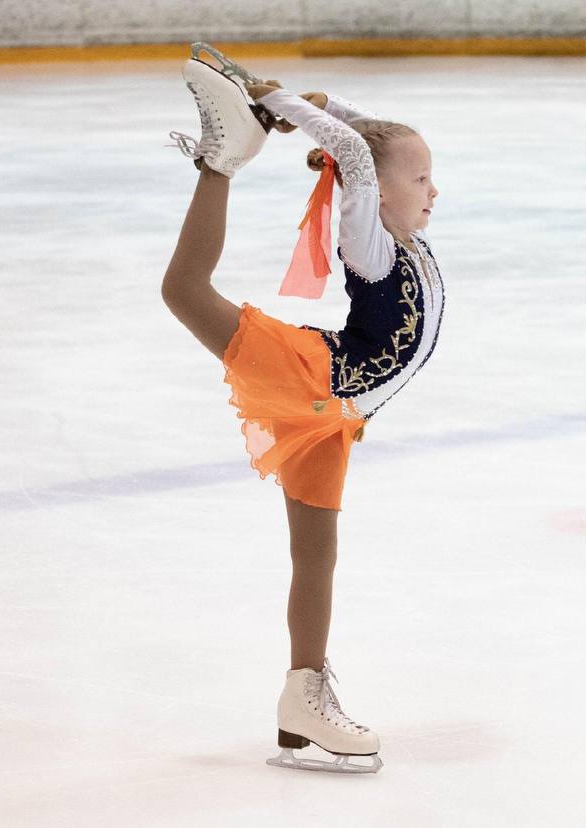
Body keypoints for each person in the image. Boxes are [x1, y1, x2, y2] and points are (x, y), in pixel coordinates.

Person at [161, 50, 443, 773]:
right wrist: (284, 102)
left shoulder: (399, 231)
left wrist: (327, 101)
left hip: (334, 414)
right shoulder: (371, 245)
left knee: (315, 555)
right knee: (187, 289)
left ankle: (302, 701)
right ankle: (220, 161)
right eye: (420, 178)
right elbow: (353, 152)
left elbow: (363, 141)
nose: (434, 190)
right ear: (372, 192)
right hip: (311, 378)